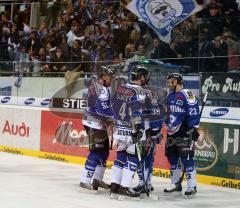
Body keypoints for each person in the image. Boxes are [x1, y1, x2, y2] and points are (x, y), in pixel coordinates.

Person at [110, 65, 152, 199]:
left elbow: (113, 106)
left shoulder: (120, 88)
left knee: (120, 156)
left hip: (119, 129)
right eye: (145, 76)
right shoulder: (139, 91)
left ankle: (114, 187)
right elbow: (136, 112)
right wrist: (139, 128)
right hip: (132, 130)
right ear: (141, 77)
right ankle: (124, 187)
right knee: (133, 157)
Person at [164, 73, 200, 198]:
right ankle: (175, 184)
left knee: (186, 158)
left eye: (170, 81)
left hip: (184, 131)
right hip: (171, 132)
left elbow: (194, 111)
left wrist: (194, 128)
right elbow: (167, 112)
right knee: (172, 157)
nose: (169, 84)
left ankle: (192, 186)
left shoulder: (187, 94)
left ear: (177, 81)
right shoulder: (170, 96)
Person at [80, 66, 115, 190]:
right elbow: (98, 109)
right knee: (96, 152)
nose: (112, 80)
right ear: (104, 77)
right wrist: (112, 119)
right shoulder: (101, 90)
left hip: (97, 123)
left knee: (104, 152)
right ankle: (85, 180)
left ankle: (97, 180)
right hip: (93, 123)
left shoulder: (98, 86)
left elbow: (105, 108)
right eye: (110, 78)